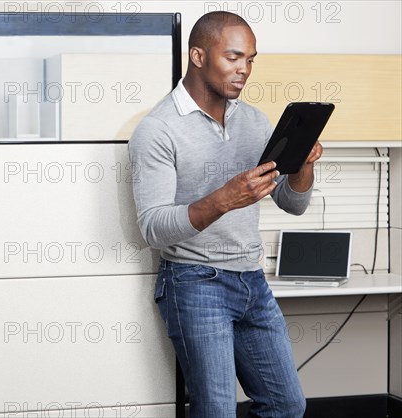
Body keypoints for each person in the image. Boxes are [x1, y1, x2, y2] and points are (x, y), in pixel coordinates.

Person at [129, 11, 321, 418]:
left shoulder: (254, 121)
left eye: (250, 59)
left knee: (287, 406)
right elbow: (153, 228)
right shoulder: (158, 129)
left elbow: (293, 203)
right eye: (233, 57)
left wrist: (304, 165)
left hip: (252, 280)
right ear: (198, 56)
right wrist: (225, 198)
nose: (244, 70)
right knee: (216, 410)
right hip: (195, 284)